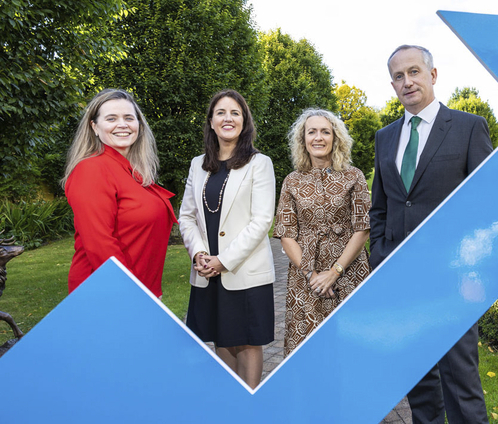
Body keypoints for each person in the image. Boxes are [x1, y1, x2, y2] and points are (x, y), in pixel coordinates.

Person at [369, 45, 492, 424]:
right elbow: (383, 205)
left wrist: (473, 269)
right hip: (399, 276)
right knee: (418, 382)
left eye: (414, 72)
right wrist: (379, 254)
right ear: (392, 84)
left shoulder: (469, 128)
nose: (407, 82)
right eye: (398, 76)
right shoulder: (384, 137)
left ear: (432, 75)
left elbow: (484, 206)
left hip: (452, 277)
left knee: (461, 383)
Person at [179, 89, 275, 389]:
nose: (228, 118)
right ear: (210, 121)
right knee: (221, 339)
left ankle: (250, 409)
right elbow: (187, 216)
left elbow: (261, 221)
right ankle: (231, 406)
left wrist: (224, 260)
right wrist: (199, 255)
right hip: (207, 271)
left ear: (244, 121)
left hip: (244, 270)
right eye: (221, 112)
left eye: (235, 112)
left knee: (247, 342)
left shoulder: (260, 163)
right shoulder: (198, 164)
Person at [273, 108, 371, 356]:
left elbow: (363, 227)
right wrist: (313, 276)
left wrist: (334, 272)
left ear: (335, 138)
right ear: (303, 139)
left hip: (350, 273)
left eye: (325, 132)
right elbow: (286, 234)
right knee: (308, 352)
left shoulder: (354, 176)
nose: (318, 137)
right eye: (312, 132)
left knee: (352, 348)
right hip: (306, 278)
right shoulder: (291, 181)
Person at [62, 89, 177, 297]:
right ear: (94, 127)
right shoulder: (92, 169)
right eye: (111, 118)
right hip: (108, 292)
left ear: (139, 126)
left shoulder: (132, 172)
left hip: (141, 290)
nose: (122, 124)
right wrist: (132, 293)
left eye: (129, 118)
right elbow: (101, 245)